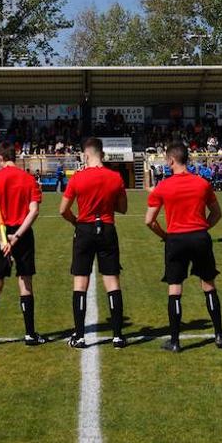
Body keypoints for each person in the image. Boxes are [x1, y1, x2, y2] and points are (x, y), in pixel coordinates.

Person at [144, 143, 222, 352]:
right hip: (200, 238)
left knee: (175, 288)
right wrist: (202, 229)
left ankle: (175, 341)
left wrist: (165, 236)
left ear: (171, 161)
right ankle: (219, 335)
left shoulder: (163, 186)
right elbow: (217, 213)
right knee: (208, 285)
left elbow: (149, 221)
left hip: (176, 239)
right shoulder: (202, 183)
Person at [59, 137, 128, 350]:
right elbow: (123, 208)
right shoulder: (115, 177)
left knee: (80, 283)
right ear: (102, 154)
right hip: (107, 228)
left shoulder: (78, 178)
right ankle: (117, 336)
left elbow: (63, 210)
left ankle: (79, 336)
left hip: (85, 229)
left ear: (86, 155)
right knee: (112, 282)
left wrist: (77, 222)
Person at [0, 140, 49, 347]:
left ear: (0, 158)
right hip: (23, 234)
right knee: (25, 282)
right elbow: (34, 210)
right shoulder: (28, 179)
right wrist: (17, 236)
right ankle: (29, 334)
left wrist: (2, 239)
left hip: (1, 234)